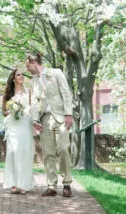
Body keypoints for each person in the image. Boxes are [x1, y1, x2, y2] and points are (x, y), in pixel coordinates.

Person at [27, 53, 73, 197]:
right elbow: (34, 102)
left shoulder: (56, 73)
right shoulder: (33, 82)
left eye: (28, 65)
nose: (27, 69)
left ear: (34, 62)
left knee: (64, 149)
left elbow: (66, 93)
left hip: (61, 118)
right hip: (44, 120)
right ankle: (52, 186)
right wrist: (35, 120)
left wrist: (69, 114)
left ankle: (67, 184)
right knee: (48, 153)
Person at [2, 68, 35, 195]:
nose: (22, 76)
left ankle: (24, 184)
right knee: (13, 152)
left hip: (25, 124)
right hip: (13, 125)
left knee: (25, 152)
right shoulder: (8, 93)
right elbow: (3, 112)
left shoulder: (28, 91)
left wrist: (25, 112)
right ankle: (13, 183)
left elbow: (32, 108)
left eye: (23, 74)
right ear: (13, 78)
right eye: (19, 74)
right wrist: (13, 110)